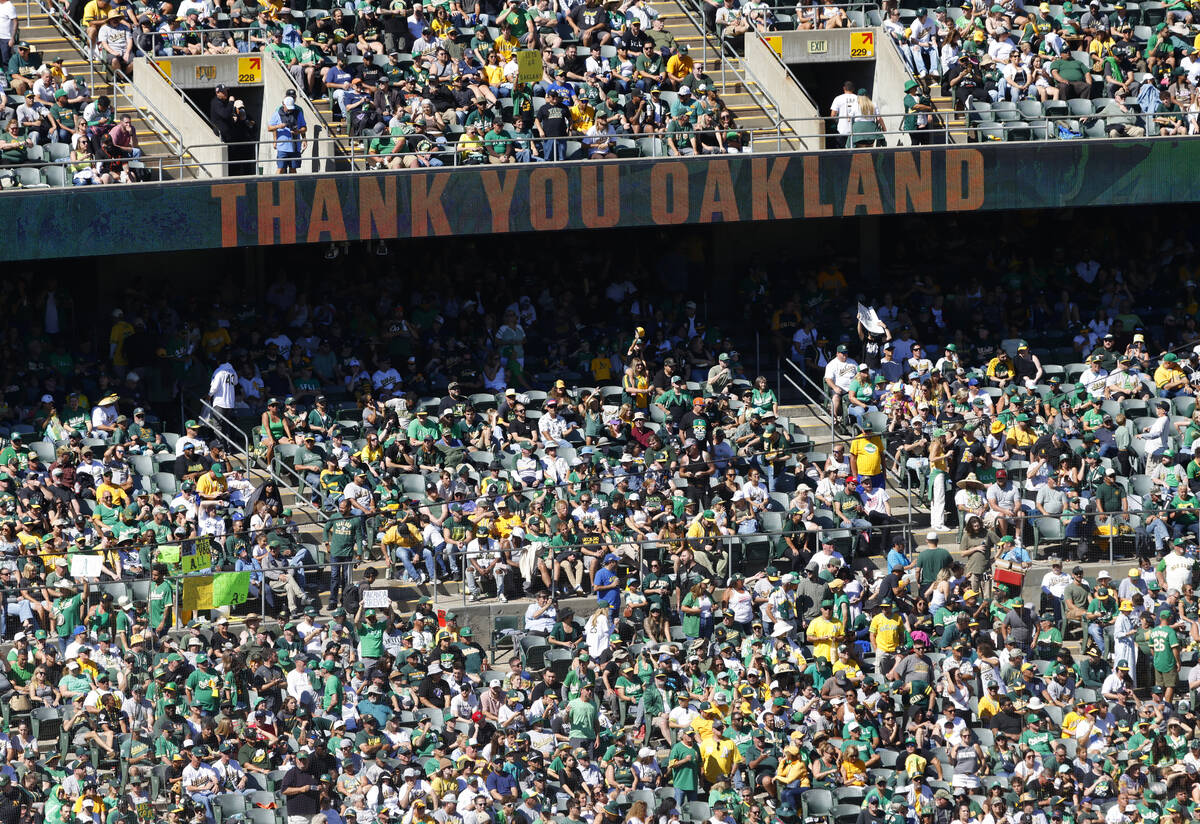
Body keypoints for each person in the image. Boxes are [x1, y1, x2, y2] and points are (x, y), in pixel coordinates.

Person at [268, 95, 307, 174]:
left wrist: (298, 132)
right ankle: (276, 185)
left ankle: (293, 186)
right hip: (282, 148)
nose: (289, 110)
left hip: (295, 147)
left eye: (291, 108)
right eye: (288, 108)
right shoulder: (277, 113)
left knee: (293, 170)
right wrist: (279, 126)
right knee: (280, 169)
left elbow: (304, 128)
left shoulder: (298, 113)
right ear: (283, 104)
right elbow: (269, 128)